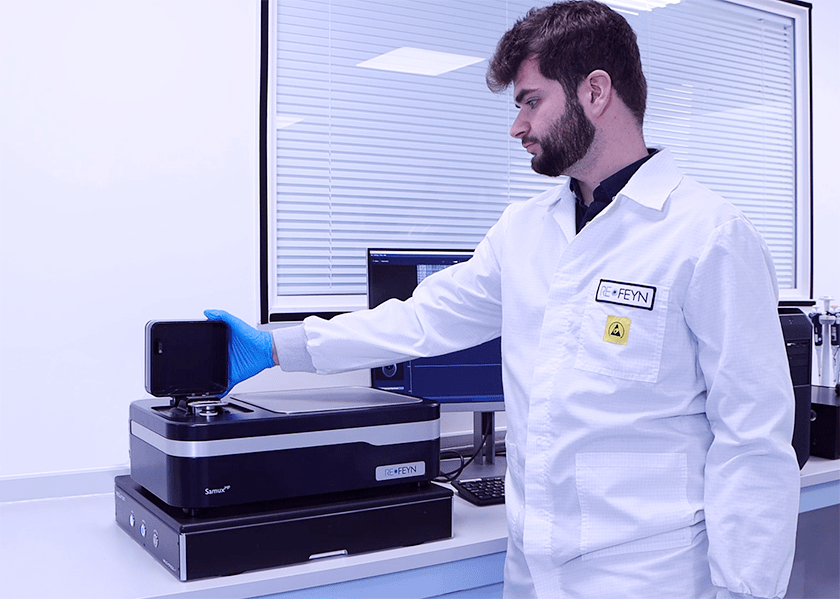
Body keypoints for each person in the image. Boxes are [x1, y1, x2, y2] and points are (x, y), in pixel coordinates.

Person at [206, 1, 801, 597]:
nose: (517, 126)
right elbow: (424, 320)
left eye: (530, 100)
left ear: (596, 91)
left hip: (651, 575)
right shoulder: (524, 230)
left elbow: (753, 437)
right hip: (533, 569)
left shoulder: (708, 236)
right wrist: (280, 346)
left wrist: (746, 591)